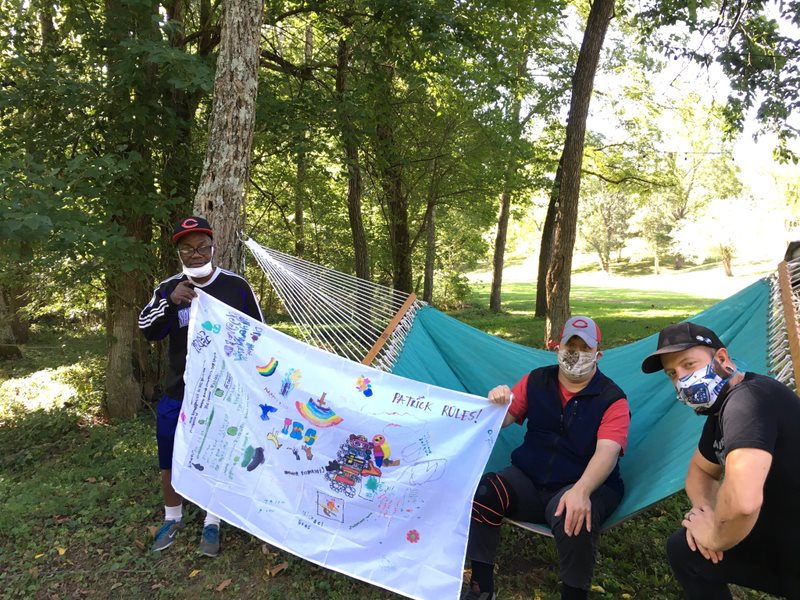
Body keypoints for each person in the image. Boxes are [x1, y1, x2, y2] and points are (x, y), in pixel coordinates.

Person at [464, 316, 630, 600]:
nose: (575, 354)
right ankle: (481, 588)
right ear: (557, 348)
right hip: (529, 480)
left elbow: (608, 452)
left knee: (576, 514)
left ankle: (574, 595)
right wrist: (496, 400)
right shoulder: (536, 381)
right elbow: (501, 421)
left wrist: (581, 491)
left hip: (583, 483)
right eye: (570, 346)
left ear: (598, 355)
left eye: (585, 348)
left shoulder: (613, 399)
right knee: (484, 492)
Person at [641, 321, 800, 599]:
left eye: (688, 365)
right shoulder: (721, 412)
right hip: (783, 542)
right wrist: (707, 513)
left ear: (722, 359)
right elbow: (699, 471)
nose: (681, 379)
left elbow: (743, 502)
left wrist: (715, 536)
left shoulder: (748, 402)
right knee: (686, 549)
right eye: (672, 374)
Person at [138, 216, 263, 557]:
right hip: (179, 391)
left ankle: (213, 520)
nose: (195, 254)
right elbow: (148, 330)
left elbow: (259, 336)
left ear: (213, 247)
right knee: (170, 455)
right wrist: (170, 301)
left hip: (222, 393)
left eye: (201, 246)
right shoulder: (168, 287)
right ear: (178, 251)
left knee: (218, 455)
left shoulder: (236, 287)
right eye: (187, 248)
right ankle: (173, 516)